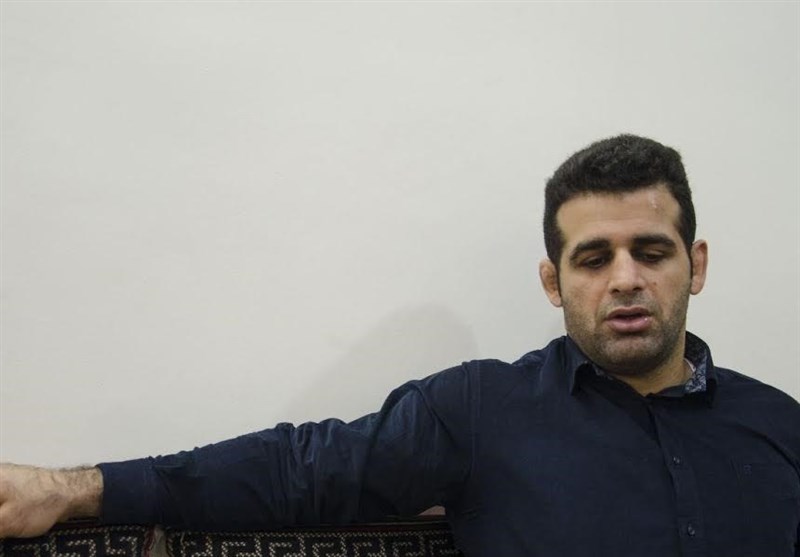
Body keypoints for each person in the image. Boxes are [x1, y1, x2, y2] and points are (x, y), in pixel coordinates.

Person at [1, 135, 798, 555]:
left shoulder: (781, 426)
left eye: (651, 251)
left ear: (694, 264)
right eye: (594, 258)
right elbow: (299, 469)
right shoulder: (483, 411)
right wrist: (72, 489)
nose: (625, 278)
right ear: (554, 282)